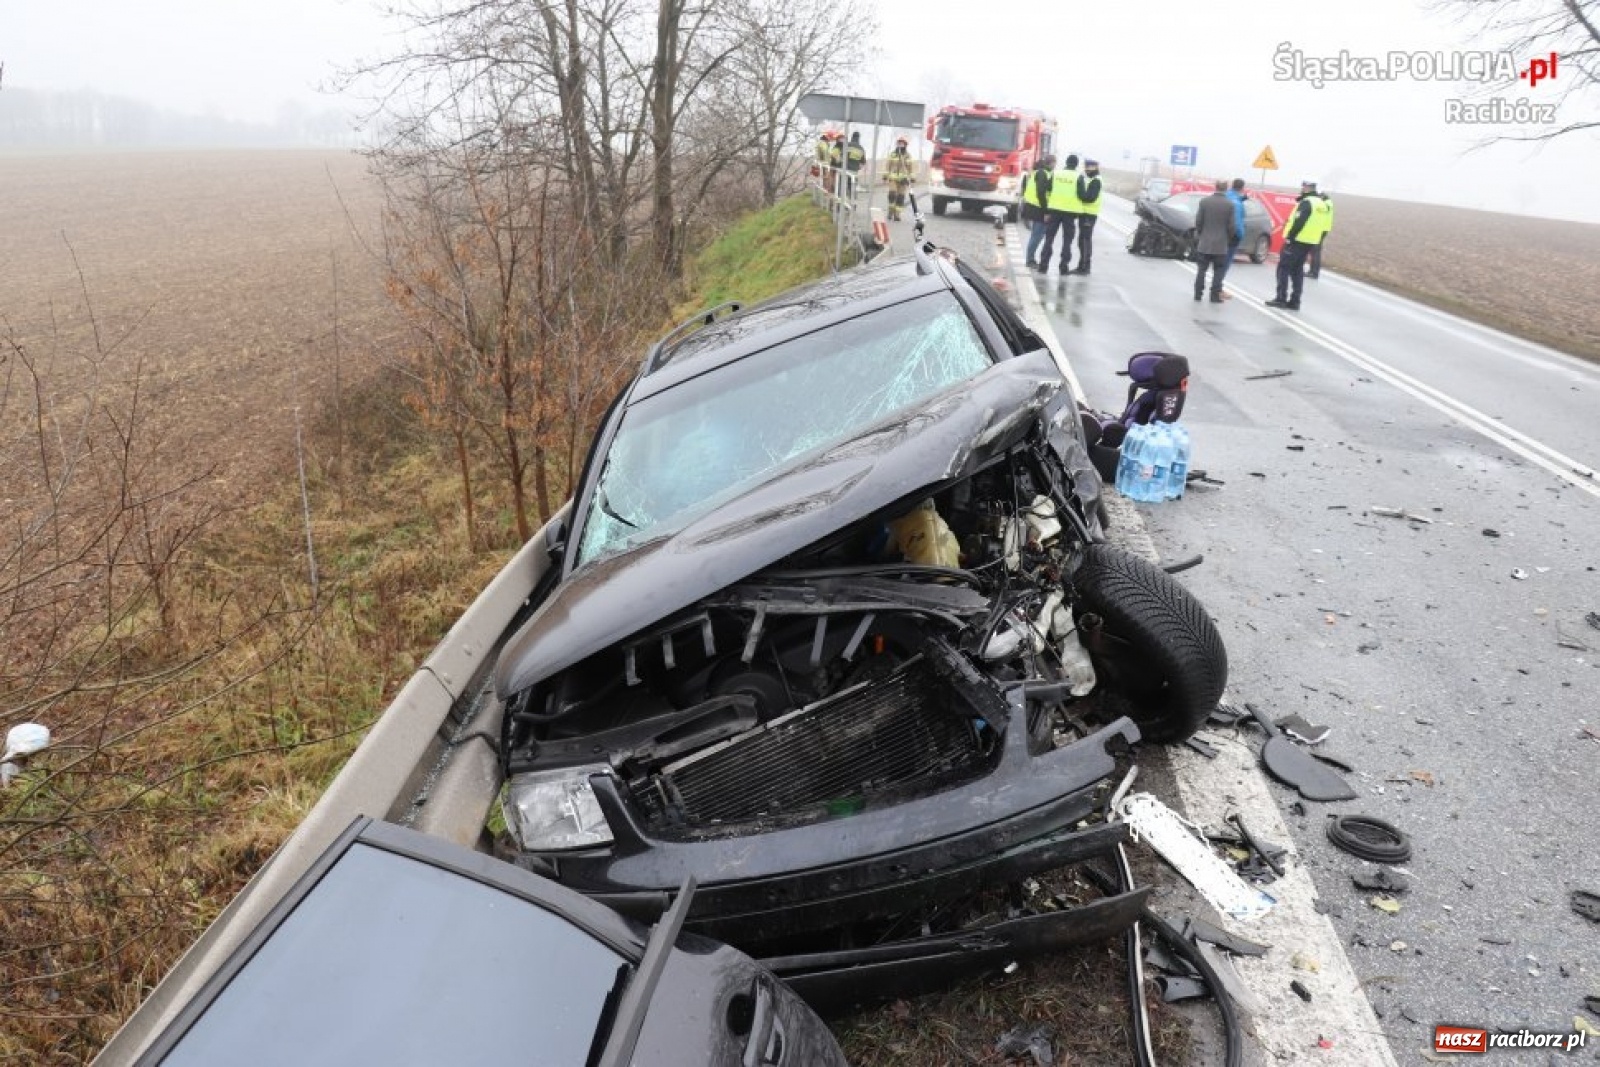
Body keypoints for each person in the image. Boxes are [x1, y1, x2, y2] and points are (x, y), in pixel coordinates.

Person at [1266, 180, 1332, 310]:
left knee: (1283, 269)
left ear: (1307, 187)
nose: (1301, 189)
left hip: (1296, 241)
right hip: (1310, 241)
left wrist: (1290, 237)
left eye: (1303, 187)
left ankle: (1281, 298)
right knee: (1297, 271)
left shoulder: (1307, 202)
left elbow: (1299, 221)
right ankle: (1295, 301)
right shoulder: (1322, 204)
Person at [1192, 181, 1236, 303]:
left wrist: (1201, 235)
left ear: (1215, 187)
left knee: (1201, 270)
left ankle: (1197, 294)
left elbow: (1198, 221)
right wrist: (1228, 238)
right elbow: (1232, 226)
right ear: (1226, 189)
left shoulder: (1205, 202)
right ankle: (1214, 296)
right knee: (1218, 271)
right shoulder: (1230, 205)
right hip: (1221, 244)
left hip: (1205, 243)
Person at [1036, 153, 1081, 274]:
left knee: (1049, 239)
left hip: (1054, 211)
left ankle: (1043, 265)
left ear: (1066, 162)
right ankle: (1063, 266)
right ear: (1076, 164)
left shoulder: (1056, 174)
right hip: (1070, 213)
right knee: (1067, 241)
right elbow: (1082, 194)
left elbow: (1048, 188)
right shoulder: (1078, 177)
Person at [1070, 159, 1103, 274]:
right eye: (1085, 168)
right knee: (1082, 241)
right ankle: (1082, 266)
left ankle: (1084, 267)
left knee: (1084, 241)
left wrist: (1080, 191)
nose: (1086, 170)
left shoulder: (1096, 181)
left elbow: (1090, 198)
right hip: (1085, 214)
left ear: (1094, 168)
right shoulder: (1091, 179)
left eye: (1088, 168)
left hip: (1089, 215)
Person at [1022, 153, 1054, 268]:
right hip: (1038, 208)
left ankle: (1030, 258)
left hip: (1032, 206)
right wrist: (1046, 211)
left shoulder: (1037, 172)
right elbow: (1041, 193)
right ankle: (1030, 260)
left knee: (1036, 235)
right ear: (1051, 163)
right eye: (1054, 163)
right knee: (1037, 235)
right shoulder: (1042, 173)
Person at [1221, 179, 1248, 285]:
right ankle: (1218, 288)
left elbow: (1233, 199)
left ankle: (1216, 286)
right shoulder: (1237, 203)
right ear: (1242, 188)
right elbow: (1237, 223)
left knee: (1218, 262)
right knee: (1225, 263)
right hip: (1232, 236)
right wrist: (1240, 235)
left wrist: (1242, 199)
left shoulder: (1226, 195)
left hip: (1219, 234)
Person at [884, 137, 915, 221]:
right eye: (899, 143)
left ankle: (897, 215)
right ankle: (890, 211)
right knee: (892, 194)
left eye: (902, 144)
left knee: (900, 197)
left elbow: (911, 168)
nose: (900, 145)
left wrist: (912, 179)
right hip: (893, 179)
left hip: (903, 180)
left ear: (905, 145)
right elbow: (888, 166)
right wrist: (885, 176)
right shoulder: (893, 154)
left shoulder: (908, 156)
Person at [1308, 191, 1333, 279]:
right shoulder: (1328, 203)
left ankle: (1313, 272)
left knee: (1315, 251)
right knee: (1315, 251)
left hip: (1321, 229)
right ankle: (1313, 271)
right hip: (1323, 229)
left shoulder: (1325, 204)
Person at [843, 131, 867, 199]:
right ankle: (853, 203)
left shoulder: (847, 145)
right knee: (852, 187)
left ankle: (845, 203)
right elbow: (863, 162)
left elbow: (842, 156)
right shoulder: (861, 148)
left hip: (845, 169)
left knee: (844, 186)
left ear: (852, 137)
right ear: (859, 138)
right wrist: (857, 167)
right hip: (854, 171)